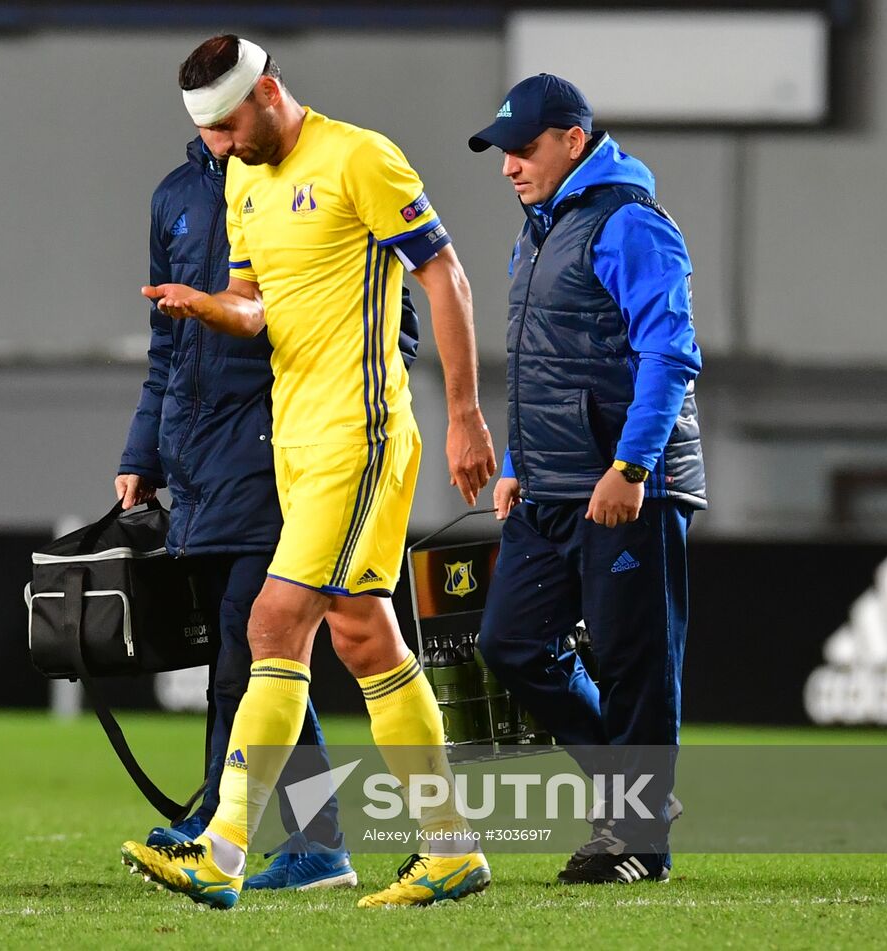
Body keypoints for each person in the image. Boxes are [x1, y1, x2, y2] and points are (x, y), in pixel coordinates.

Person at [118, 35, 495, 910]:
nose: (218, 145)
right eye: (203, 132)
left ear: (268, 93)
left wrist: (466, 414)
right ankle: (450, 847)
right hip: (296, 442)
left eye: (226, 123)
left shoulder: (360, 156)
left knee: (273, 620)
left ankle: (224, 848)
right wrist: (211, 306)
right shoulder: (244, 179)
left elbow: (444, 275)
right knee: (364, 635)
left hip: (359, 435)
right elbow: (255, 306)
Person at [115, 132, 424, 891]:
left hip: (283, 448)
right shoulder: (176, 197)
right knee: (261, 643)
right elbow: (170, 347)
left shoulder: (315, 183)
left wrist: (312, 397)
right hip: (201, 458)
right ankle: (305, 837)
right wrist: (143, 452)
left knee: (255, 636)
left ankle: (231, 832)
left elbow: (396, 328)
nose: (223, 135)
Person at [467, 74, 705, 885]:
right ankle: (635, 793)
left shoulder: (631, 224)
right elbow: (541, 366)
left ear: (574, 141)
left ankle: (639, 842)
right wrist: (514, 465)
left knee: (635, 663)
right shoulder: (540, 231)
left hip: (627, 487)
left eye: (523, 149)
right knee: (510, 642)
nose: (508, 167)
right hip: (550, 487)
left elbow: (670, 355)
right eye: (503, 153)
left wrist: (631, 466)